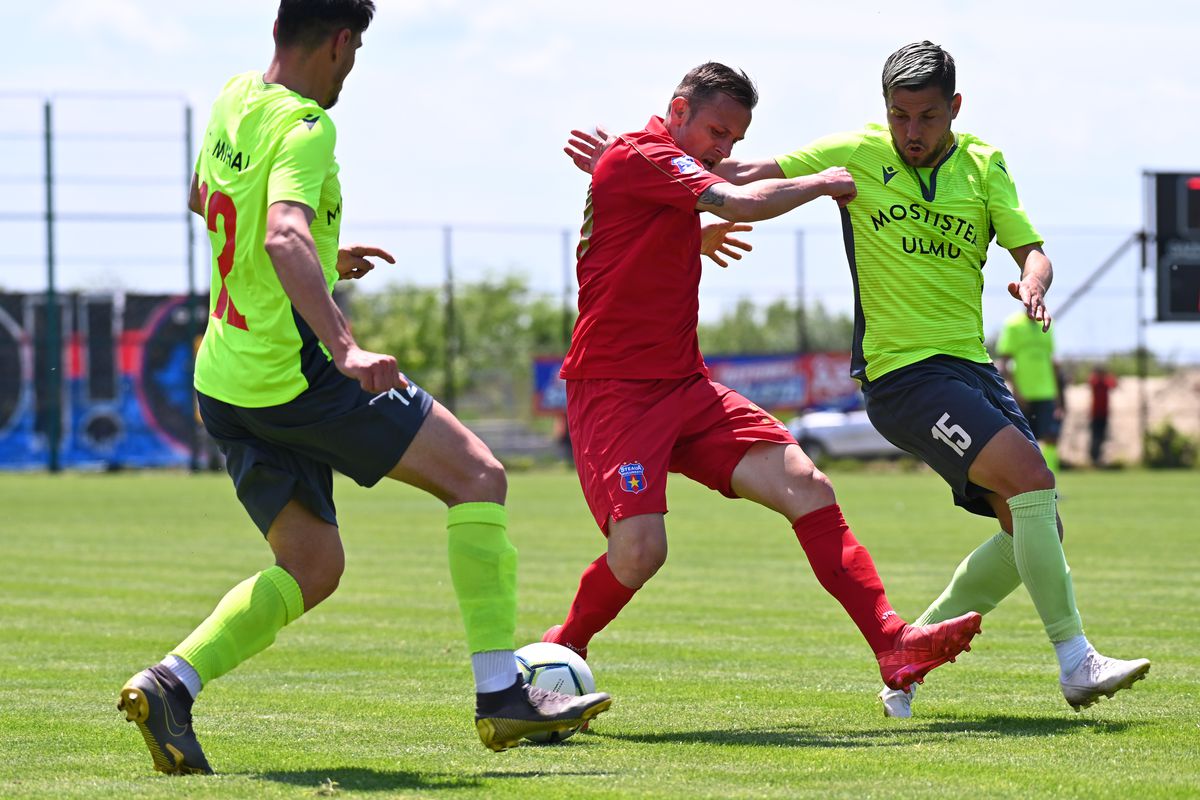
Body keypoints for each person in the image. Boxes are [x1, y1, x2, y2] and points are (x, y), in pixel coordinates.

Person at [581, 41, 1147, 718]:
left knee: (1033, 525)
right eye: (899, 116)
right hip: (902, 375)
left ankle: (902, 656)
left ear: (954, 109)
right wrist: (629, 162)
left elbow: (1033, 249)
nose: (912, 131)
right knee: (1031, 477)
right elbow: (735, 182)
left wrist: (1033, 279)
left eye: (927, 117)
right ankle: (1076, 661)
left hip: (963, 366)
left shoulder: (984, 164)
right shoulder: (854, 151)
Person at [115, 0, 610, 774]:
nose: (350, 70)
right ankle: (501, 694)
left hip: (227, 381)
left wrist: (324, 255)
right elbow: (281, 232)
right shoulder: (308, 126)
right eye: (356, 53)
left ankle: (170, 684)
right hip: (297, 374)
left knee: (312, 566)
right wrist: (344, 346)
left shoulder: (234, 97)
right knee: (478, 476)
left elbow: (206, 202)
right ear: (341, 42)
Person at [543, 61, 984, 705]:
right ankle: (561, 650)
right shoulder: (642, 154)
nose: (723, 149)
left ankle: (892, 642)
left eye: (735, 139)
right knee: (639, 552)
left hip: (684, 386)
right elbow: (743, 199)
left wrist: (688, 235)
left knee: (807, 484)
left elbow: (642, 222)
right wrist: (824, 182)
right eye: (716, 132)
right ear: (678, 110)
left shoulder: (652, 164)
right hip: (617, 392)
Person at [996, 310, 1065, 473]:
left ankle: (1050, 479)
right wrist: (1015, 390)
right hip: (1023, 395)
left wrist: (1057, 394)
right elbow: (1005, 361)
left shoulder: (1048, 324)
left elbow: (1051, 360)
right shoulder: (1013, 325)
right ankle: (1022, 478)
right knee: (1023, 439)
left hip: (1047, 392)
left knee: (1051, 436)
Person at [1087, 365, 1118, 467]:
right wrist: (1097, 374)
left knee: (1101, 438)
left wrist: (1108, 374)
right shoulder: (1096, 382)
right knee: (1095, 437)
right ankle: (1093, 458)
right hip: (1095, 415)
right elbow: (1090, 381)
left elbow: (1114, 384)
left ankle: (1099, 458)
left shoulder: (1105, 383)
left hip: (1104, 415)